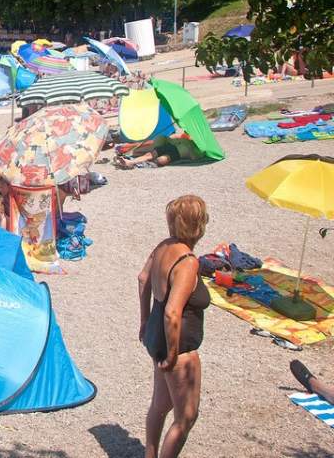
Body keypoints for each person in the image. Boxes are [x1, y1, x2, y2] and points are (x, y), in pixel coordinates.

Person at [138, 195, 210, 458]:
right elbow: (172, 313)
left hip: (155, 336)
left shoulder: (163, 246)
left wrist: (144, 320)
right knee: (186, 417)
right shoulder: (188, 261)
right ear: (199, 225)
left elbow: (143, 278)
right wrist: (171, 354)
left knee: (160, 405)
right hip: (178, 348)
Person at [116, 136, 201, 170]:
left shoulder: (197, 147)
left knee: (161, 159)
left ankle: (132, 161)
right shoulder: (189, 138)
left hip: (180, 149)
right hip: (173, 145)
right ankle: (131, 162)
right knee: (150, 154)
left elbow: (195, 157)